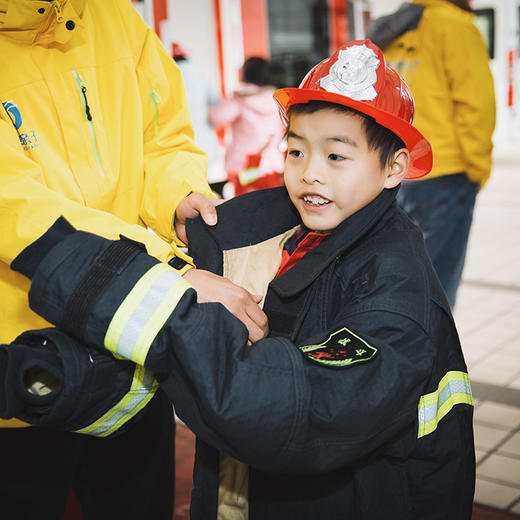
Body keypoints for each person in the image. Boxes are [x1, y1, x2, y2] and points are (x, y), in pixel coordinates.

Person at [5, 40, 475, 519]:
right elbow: (178, 366)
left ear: (394, 167)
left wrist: (151, 296)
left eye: (336, 157)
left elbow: (293, 406)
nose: (309, 173)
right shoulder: (267, 233)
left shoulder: (394, 289)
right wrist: (43, 374)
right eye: (295, 151)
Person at [0, 1, 267, 519]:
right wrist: (171, 274)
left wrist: (178, 200)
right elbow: (16, 207)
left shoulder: (112, 16)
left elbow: (162, 141)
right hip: (19, 361)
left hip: (130, 348)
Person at [366, 0, 496, 308]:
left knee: (400, 279)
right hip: (444, 172)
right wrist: (477, 170)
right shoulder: (457, 26)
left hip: (394, 171)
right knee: (436, 289)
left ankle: (397, 345)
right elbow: (476, 105)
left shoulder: (392, 29)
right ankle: (430, 354)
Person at [208, 56, 284, 196]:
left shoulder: (241, 98)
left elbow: (218, 118)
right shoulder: (274, 98)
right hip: (270, 163)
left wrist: (203, 103)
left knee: (244, 207)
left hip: (244, 165)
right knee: (273, 205)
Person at [172, 42, 225, 193]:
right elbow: (216, 99)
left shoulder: (168, 74)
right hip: (204, 136)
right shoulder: (198, 73)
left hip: (180, 137)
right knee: (204, 179)